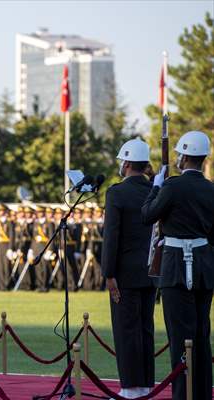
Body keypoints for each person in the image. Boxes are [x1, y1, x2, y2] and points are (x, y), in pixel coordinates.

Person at [141, 131, 214, 400]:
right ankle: (204, 393)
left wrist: (156, 187)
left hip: (175, 269)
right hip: (204, 268)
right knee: (201, 335)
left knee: (180, 339)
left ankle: (183, 395)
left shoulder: (171, 186)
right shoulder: (211, 189)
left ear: (183, 156)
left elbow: (148, 215)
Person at [102, 138, 156, 398]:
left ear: (125, 163)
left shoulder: (116, 193)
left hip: (124, 273)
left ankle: (131, 388)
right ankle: (145, 384)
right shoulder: (155, 190)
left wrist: (108, 274)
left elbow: (111, 237)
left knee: (126, 330)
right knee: (145, 329)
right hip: (150, 271)